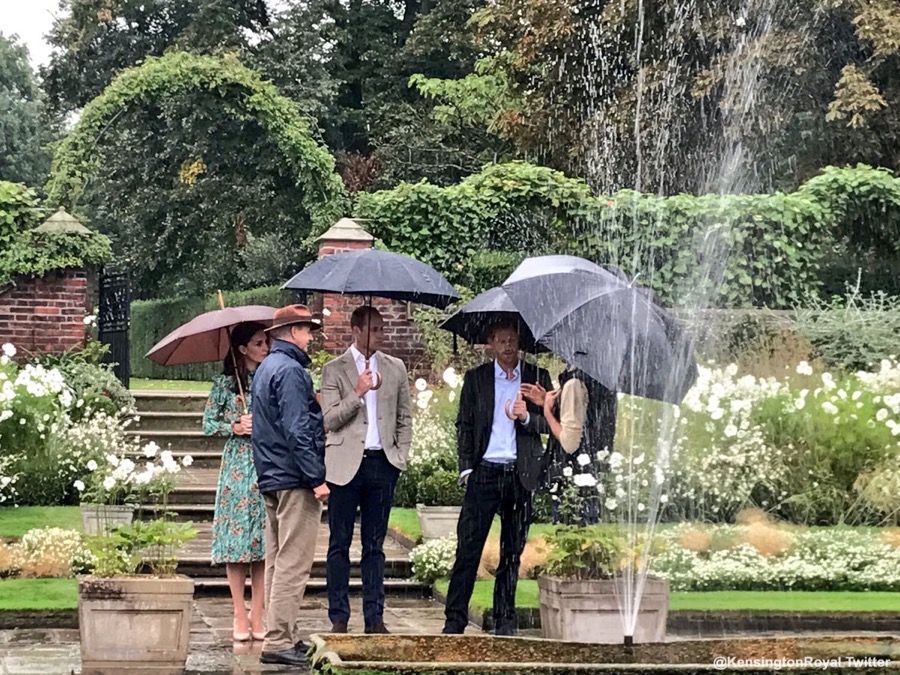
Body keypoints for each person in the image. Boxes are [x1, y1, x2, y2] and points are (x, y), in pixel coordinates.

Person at [442, 320, 552, 637]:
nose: (508, 346)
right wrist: (466, 468)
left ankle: (505, 621)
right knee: (468, 549)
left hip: (520, 475)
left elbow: (551, 425)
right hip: (485, 472)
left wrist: (528, 416)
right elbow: (464, 424)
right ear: (490, 343)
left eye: (512, 340)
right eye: (501, 340)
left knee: (511, 552)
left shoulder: (537, 378)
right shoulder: (476, 379)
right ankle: (454, 620)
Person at [320, 306, 412, 634]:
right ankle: (339, 617)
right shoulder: (334, 370)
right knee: (339, 543)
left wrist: (399, 456)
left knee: (375, 546)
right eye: (373, 329)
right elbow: (329, 419)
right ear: (355, 330)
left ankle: (375, 618)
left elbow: (405, 416)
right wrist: (357, 392)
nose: (379, 335)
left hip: (382, 463)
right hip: (345, 466)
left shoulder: (396, 367)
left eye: (382, 329)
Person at [251, 305, 330, 667]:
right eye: (308, 330)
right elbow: (298, 429)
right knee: (293, 563)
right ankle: (278, 638)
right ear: (293, 331)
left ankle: (278, 633)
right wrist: (317, 477)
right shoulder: (292, 371)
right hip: (293, 478)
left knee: (276, 560)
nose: (311, 337)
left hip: (270, 475)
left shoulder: (266, 367)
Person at [202, 321, 269, 642]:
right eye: (258, 343)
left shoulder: (270, 379)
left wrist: (263, 426)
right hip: (237, 466)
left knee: (262, 541)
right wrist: (235, 425)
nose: (265, 347)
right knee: (237, 541)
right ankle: (238, 613)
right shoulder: (224, 385)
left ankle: (258, 612)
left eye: (266, 341)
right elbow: (207, 423)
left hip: (265, 462)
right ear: (242, 349)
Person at [541, 366, 618, 525]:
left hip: (571, 479)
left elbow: (569, 443)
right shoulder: (604, 381)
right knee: (588, 540)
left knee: (569, 537)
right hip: (592, 475)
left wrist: (547, 411)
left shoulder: (574, 383)